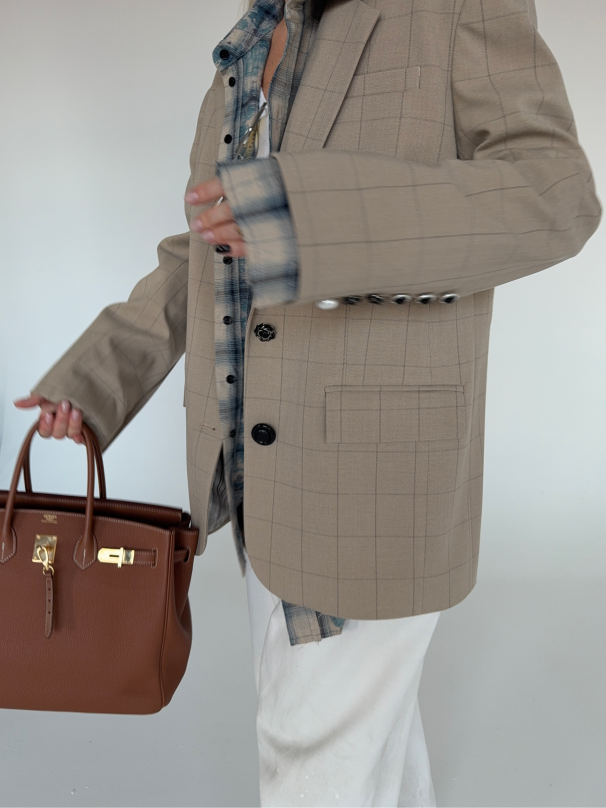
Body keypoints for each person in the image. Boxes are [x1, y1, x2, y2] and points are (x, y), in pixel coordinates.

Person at [14, 0, 601, 805]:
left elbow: (555, 194)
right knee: (365, 750)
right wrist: (97, 377)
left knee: (314, 755)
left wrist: (317, 220)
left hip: (373, 475)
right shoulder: (252, 36)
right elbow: (204, 249)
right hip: (254, 472)